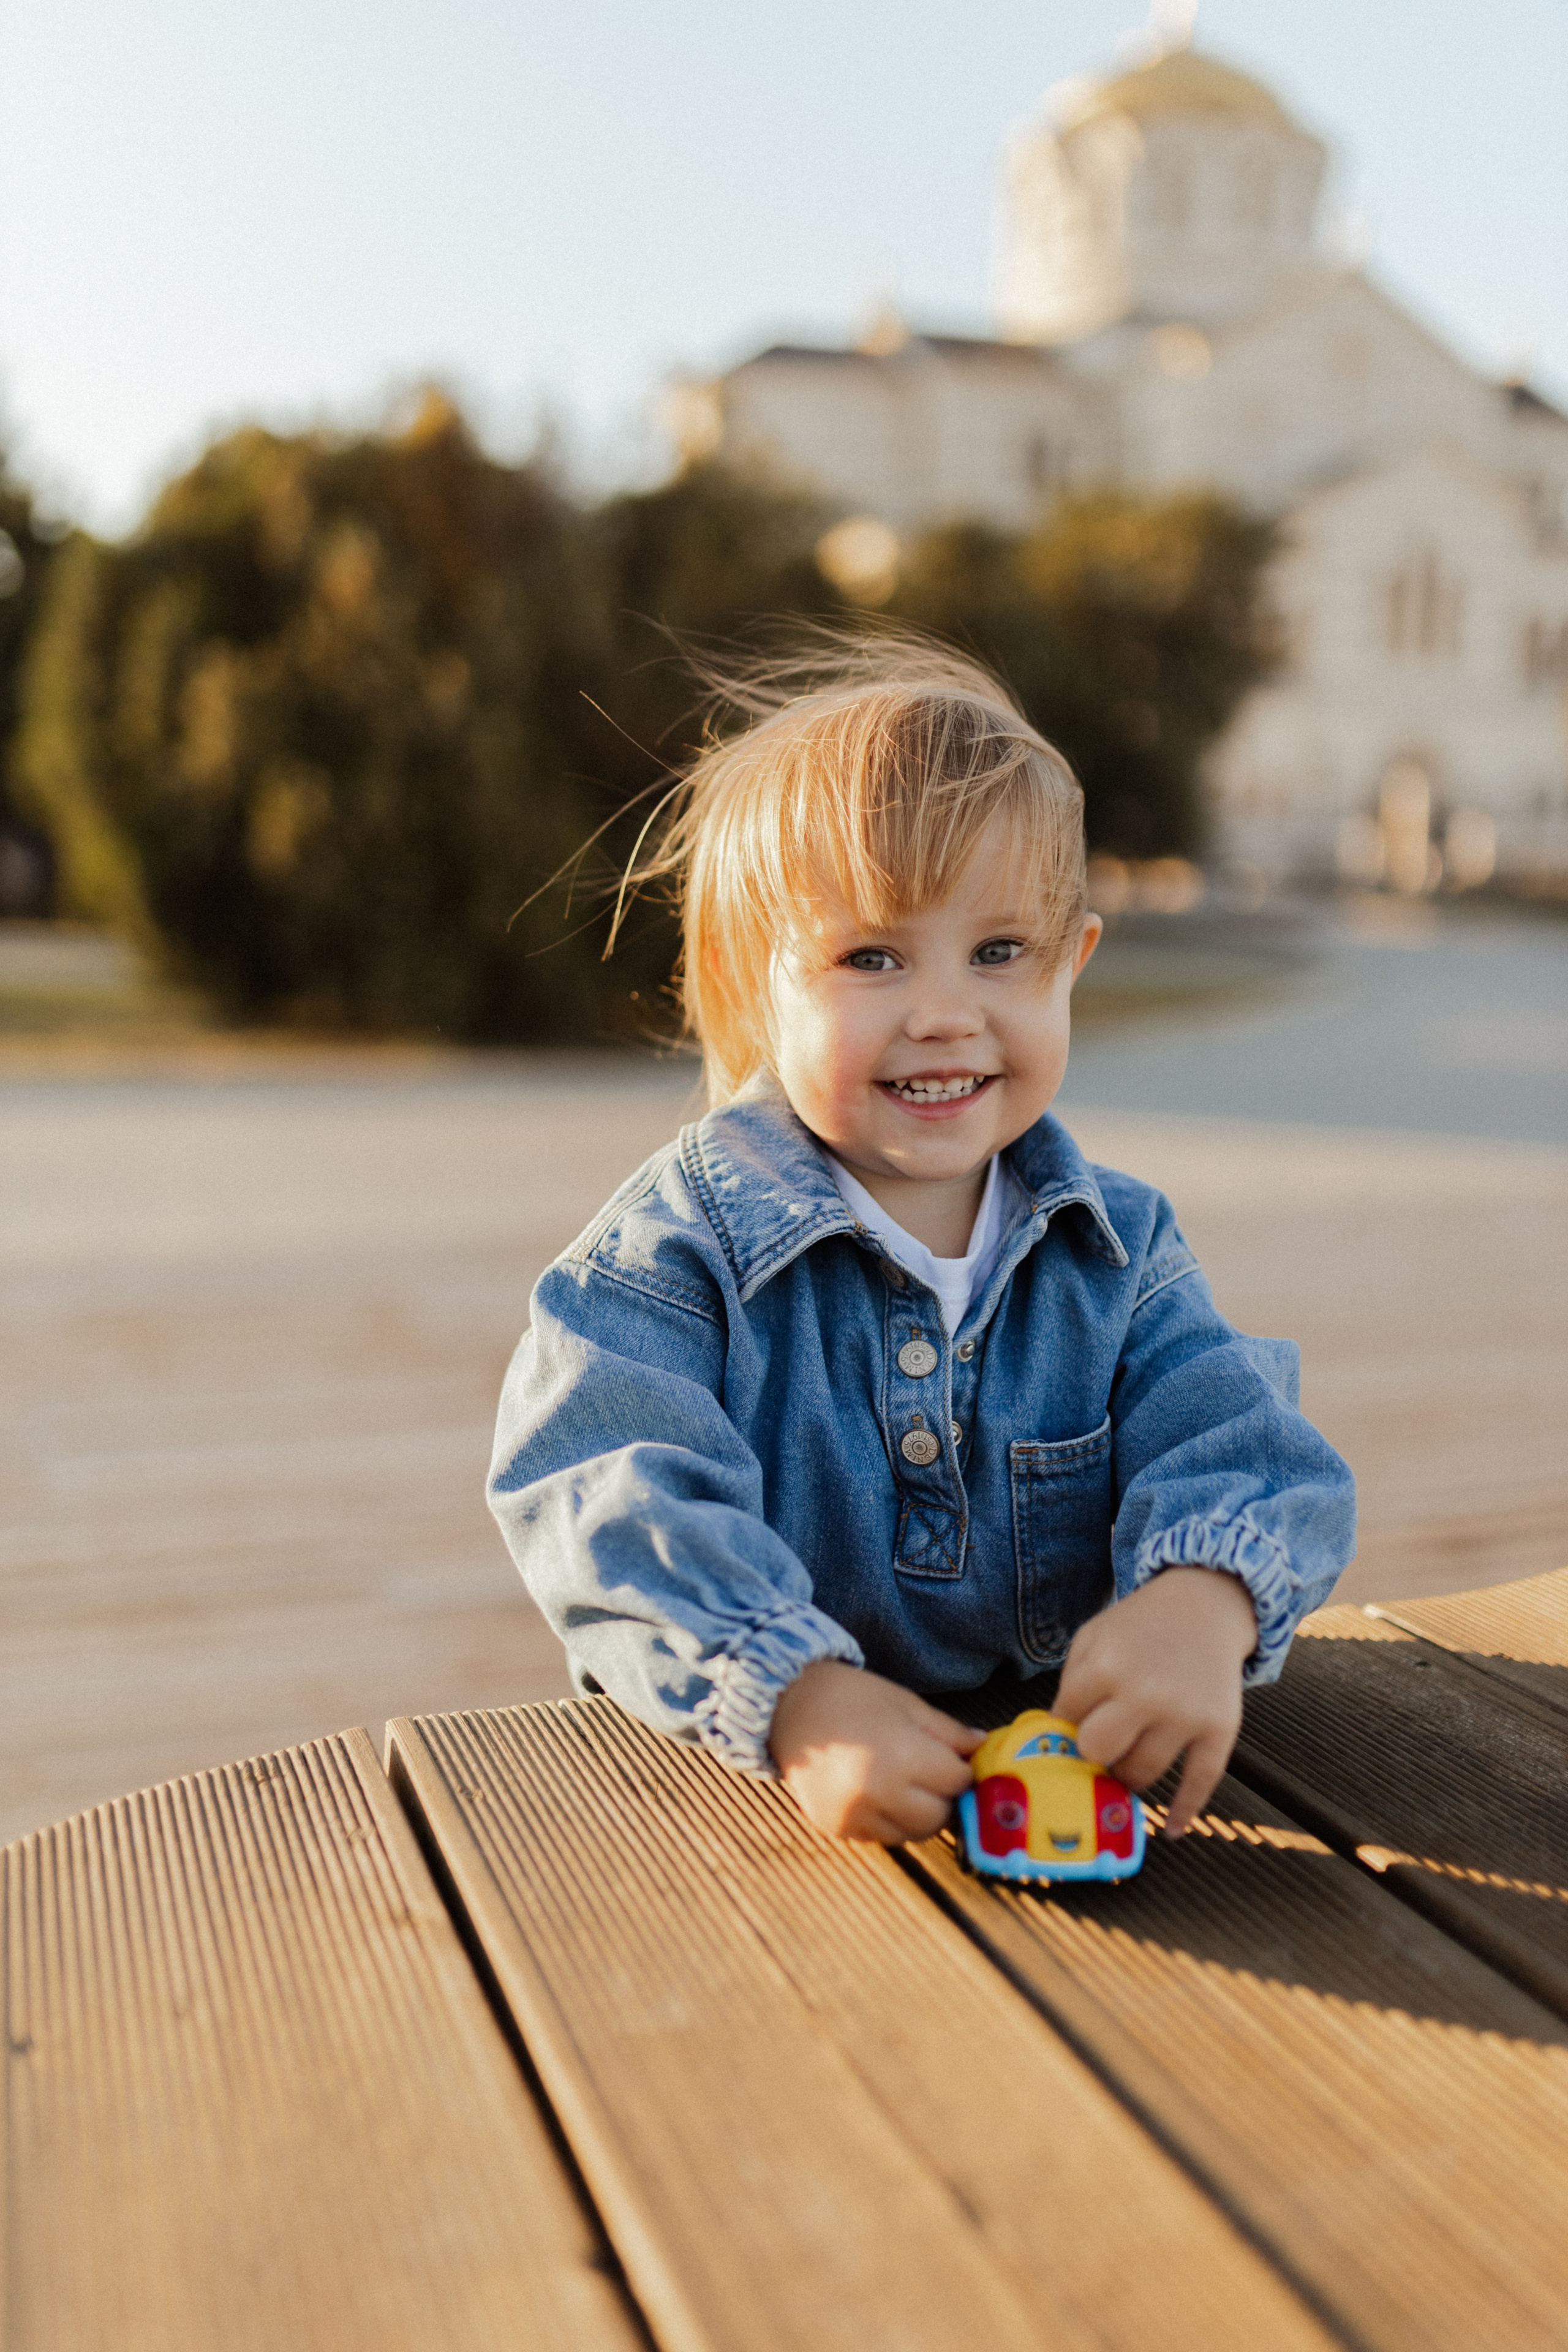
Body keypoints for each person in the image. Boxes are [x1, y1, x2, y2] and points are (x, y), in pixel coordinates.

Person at [489, 633, 1354, 1845]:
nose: (945, 1014)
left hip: (1064, 1793)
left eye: (998, 952)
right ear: (757, 988)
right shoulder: (676, 1255)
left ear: (1070, 967)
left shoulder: (1116, 1246)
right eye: (870, 957)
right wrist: (788, 1694)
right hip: (745, 1806)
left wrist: (1200, 1598)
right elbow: (598, 1486)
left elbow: (1238, 1433)